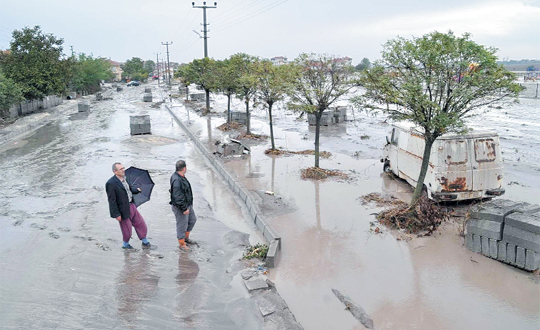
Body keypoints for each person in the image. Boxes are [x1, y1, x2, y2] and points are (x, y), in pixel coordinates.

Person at [106, 162, 151, 249]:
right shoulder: (111, 183)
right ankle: (125, 245)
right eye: (121, 169)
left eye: (123, 168)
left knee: (141, 224)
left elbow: (128, 190)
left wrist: (136, 190)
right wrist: (116, 214)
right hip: (123, 210)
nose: (123, 170)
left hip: (132, 206)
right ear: (115, 171)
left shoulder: (124, 179)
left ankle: (145, 241)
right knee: (127, 230)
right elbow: (112, 201)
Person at [170, 160, 197, 250]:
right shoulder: (177, 180)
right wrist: (184, 208)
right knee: (182, 225)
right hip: (181, 207)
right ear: (184, 168)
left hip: (187, 204)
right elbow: (178, 197)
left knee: (192, 220)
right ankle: (182, 244)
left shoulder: (180, 177)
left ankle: (186, 238)